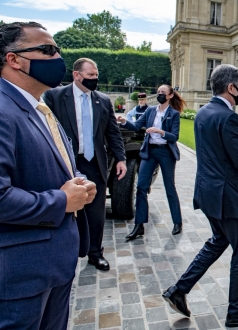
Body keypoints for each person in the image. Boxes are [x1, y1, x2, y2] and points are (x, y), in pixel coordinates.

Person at [162, 64, 238, 327]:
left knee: (217, 242)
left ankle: (179, 290)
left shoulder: (204, 112)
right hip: (229, 198)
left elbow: (220, 149)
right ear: (231, 87)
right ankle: (237, 311)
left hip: (209, 193)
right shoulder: (228, 116)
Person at [0, 21, 96, 329]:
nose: (57, 58)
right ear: (13, 59)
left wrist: (79, 180)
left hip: (53, 265)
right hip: (20, 275)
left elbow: (58, 163)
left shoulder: (38, 106)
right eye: (47, 50)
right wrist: (62, 200)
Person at [44, 57, 126, 271]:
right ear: (76, 75)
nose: (95, 79)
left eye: (96, 75)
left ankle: (95, 253)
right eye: (90, 75)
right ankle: (63, 252)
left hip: (94, 162)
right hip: (66, 163)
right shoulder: (54, 96)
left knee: (96, 212)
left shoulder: (102, 100)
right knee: (65, 208)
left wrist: (121, 158)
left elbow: (112, 132)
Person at [117, 85, 187, 239]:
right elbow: (136, 126)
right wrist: (123, 121)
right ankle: (139, 225)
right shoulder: (150, 111)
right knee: (141, 186)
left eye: (163, 92)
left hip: (166, 152)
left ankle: (177, 221)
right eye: (158, 92)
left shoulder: (173, 114)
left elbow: (174, 137)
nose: (159, 94)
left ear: (169, 96)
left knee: (170, 187)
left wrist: (160, 131)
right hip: (150, 151)